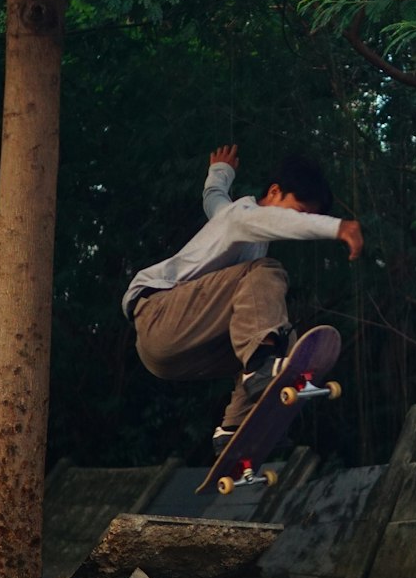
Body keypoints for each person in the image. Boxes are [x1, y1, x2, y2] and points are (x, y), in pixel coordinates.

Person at [122, 144, 363, 452]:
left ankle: (234, 428)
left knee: (275, 338)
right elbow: (272, 221)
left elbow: (214, 199)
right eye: (300, 213)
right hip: (159, 315)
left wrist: (221, 172)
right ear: (274, 192)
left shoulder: (228, 217)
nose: (296, 224)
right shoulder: (241, 217)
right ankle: (262, 371)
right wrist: (336, 226)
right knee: (265, 277)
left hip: (172, 355)